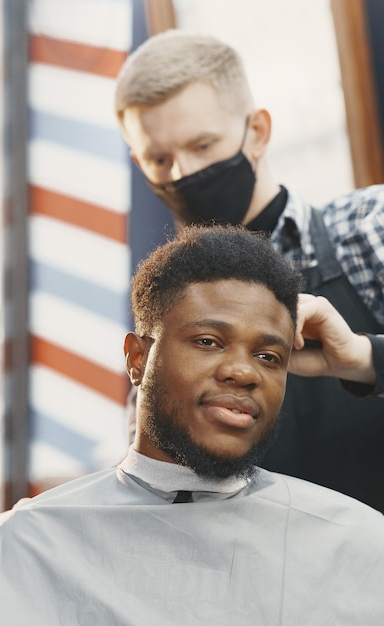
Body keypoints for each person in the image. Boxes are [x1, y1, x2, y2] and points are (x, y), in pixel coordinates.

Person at [0, 225, 384, 625]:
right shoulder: (30, 544)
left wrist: (364, 359)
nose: (243, 372)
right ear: (137, 359)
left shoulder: (358, 545)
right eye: (208, 341)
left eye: (268, 357)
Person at [114, 29, 384, 511]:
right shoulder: (164, 308)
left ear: (256, 132)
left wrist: (364, 360)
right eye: (160, 159)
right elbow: (151, 496)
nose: (182, 174)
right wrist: (27, 528)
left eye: (202, 146)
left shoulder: (368, 231)